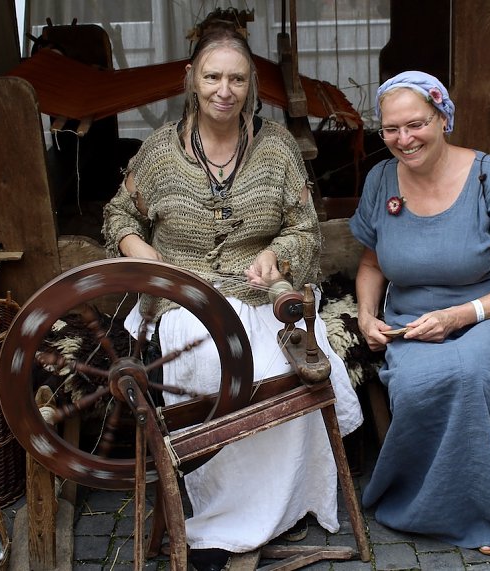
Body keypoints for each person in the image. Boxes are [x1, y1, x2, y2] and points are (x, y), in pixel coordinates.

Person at [102, 25, 363, 571]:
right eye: (213, 76)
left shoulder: (275, 147)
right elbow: (118, 216)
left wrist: (279, 256)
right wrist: (146, 258)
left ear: (251, 87)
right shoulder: (159, 152)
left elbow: (304, 226)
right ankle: (223, 514)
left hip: (258, 292)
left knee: (279, 371)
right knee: (210, 368)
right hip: (182, 298)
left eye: (237, 78)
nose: (225, 89)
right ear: (191, 81)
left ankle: (275, 509)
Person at [349, 71, 490, 555]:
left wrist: (461, 316)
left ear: (443, 118)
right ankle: (435, 502)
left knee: (467, 374)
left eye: (416, 124)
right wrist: (366, 316)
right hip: (412, 321)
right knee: (419, 382)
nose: (403, 139)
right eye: (391, 130)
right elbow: (370, 262)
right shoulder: (381, 180)